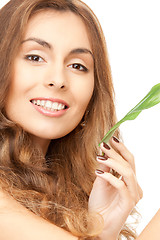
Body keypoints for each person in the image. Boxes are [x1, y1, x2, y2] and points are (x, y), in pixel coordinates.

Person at [0, 0, 143, 239]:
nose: (58, 79)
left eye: (77, 65)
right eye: (35, 57)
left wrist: (103, 230)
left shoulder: (70, 196)